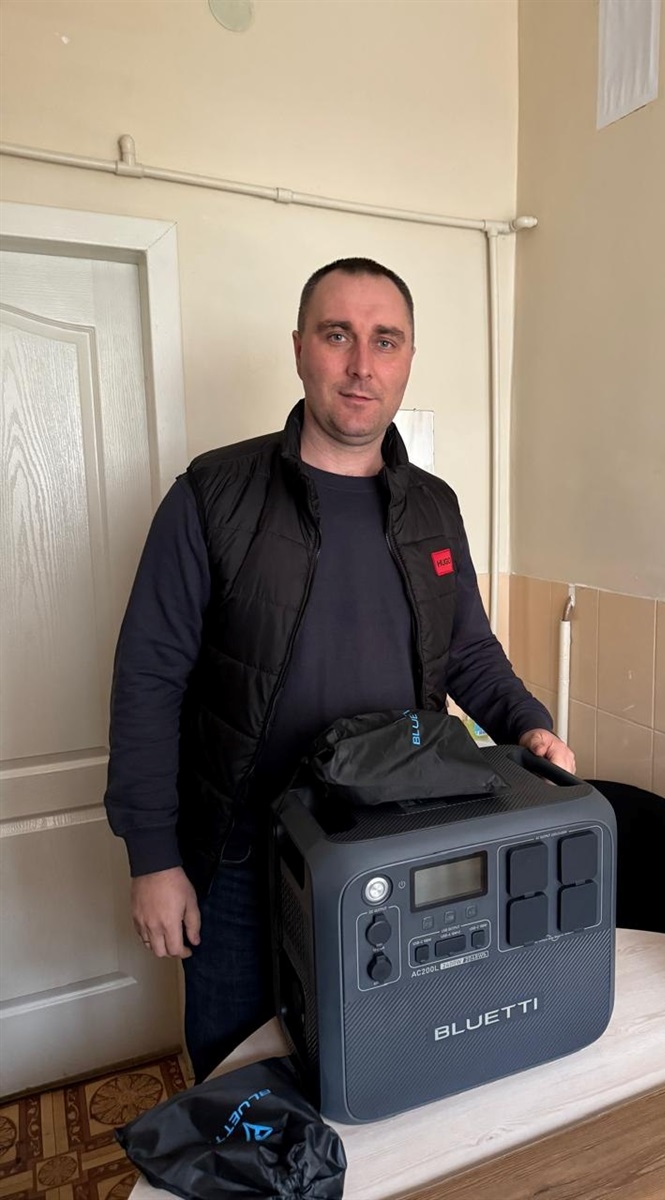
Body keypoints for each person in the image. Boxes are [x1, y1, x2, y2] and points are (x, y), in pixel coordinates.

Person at [104, 257, 574, 1082]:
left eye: (384, 340)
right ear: (299, 349)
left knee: (385, 1064)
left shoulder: (434, 506)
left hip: (391, 853)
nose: (362, 365)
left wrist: (529, 724)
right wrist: (154, 858)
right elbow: (148, 679)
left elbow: (467, 650)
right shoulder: (213, 495)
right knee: (240, 1084)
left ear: (408, 358)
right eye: (337, 336)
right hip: (241, 865)